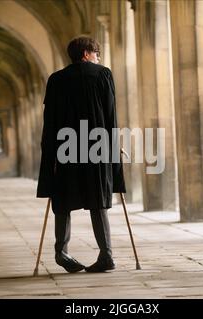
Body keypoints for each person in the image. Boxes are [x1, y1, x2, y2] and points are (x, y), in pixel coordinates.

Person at [36, 36, 126, 273]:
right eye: (96, 53)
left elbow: (50, 120)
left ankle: (61, 253)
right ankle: (106, 255)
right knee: (98, 201)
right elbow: (110, 116)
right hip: (96, 148)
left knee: (62, 200)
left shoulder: (56, 80)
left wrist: (49, 152)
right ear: (86, 53)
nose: (98, 57)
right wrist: (114, 145)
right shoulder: (103, 74)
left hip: (65, 149)